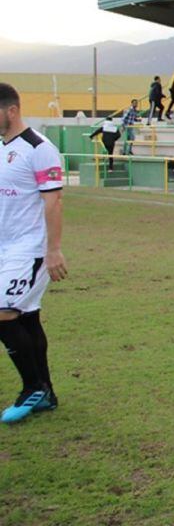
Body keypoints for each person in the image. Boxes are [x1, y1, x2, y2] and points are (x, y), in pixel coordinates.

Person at [0, 83, 66, 422]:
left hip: (30, 249)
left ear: (11, 111)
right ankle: (46, 393)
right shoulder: (2, 147)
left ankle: (31, 388)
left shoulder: (39, 148)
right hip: (6, 248)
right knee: (27, 316)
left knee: (4, 314)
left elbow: (53, 201)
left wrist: (53, 250)